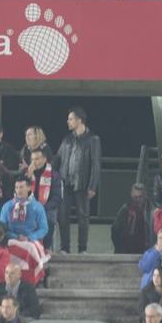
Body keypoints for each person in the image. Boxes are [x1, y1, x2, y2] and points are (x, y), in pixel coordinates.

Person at [56, 107, 101, 254]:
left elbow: (96, 164)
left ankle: (82, 249)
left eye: (70, 119)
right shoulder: (67, 139)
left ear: (79, 120)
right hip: (65, 182)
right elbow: (58, 159)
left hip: (82, 184)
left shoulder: (93, 139)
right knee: (63, 216)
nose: (67, 122)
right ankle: (65, 248)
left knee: (83, 217)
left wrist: (93, 186)